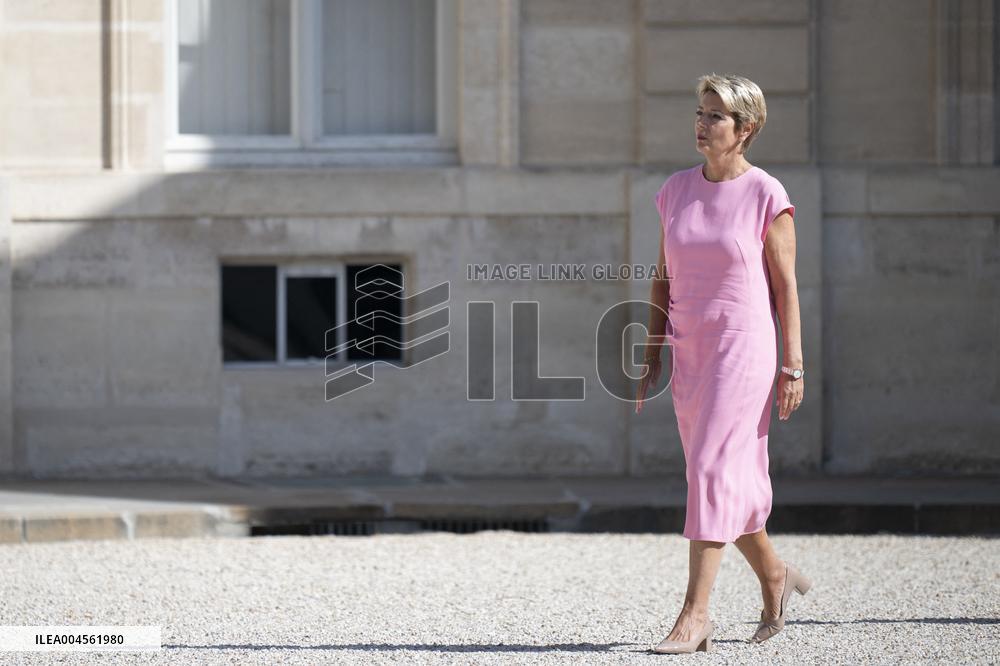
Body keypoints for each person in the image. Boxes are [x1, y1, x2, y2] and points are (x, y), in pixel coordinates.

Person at [634, 73, 812, 654]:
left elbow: (785, 288)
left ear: (746, 128)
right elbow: (662, 279)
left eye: (716, 116)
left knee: (711, 470)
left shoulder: (766, 194)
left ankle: (695, 616)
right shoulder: (674, 191)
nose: (702, 123)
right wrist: (652, 350)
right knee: (718, 477)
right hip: (691, 350)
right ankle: (775, 575)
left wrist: (793, 365)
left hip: (744, 349)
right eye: (700, 112)